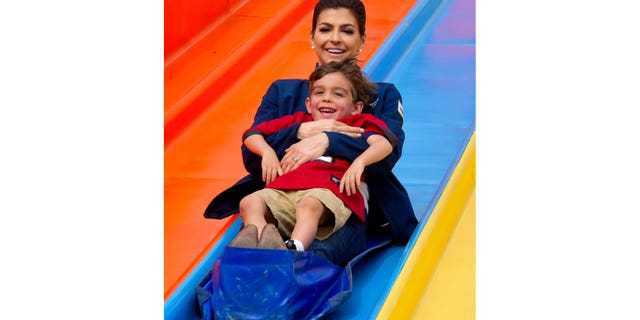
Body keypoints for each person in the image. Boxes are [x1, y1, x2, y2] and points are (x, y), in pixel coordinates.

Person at [204, 0, 418, 266]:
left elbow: (386, 157)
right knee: (245, 255)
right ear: (312, 37)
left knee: (312, 258)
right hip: (281, 196)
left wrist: (327, 139)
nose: (335, 39)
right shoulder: (283, 92)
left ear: (362, 39)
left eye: (347, 31)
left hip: (343, 204)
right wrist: (301, 130)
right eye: (326, 29)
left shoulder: (381, 95)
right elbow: (253, 158)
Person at [230, 60, 396, 253]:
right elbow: (252, 134)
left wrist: (360, 162)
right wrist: (267, 152)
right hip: (285, 190)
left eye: (338, 94)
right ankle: (262, 246)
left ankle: (294, 248)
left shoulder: (358, 124)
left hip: (329, 190)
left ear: (356, 107)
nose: (327, 98)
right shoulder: (299, 121)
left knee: (310, 205)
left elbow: (385, 143)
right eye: (319, 92)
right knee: (249, 202)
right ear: (308, 104)